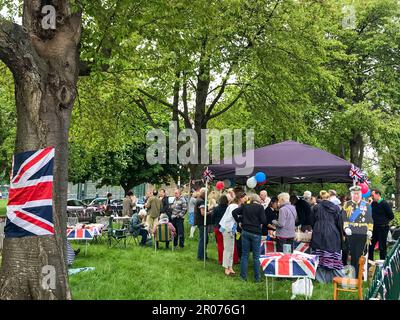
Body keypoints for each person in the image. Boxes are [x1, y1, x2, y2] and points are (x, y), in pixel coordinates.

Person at [310, 190, 345, 283]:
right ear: (329, 198)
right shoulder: (336, 208)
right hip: (333, 234)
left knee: (320, 257)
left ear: (320, 198)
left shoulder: (315, 207)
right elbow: (340, 223)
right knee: (332, 257)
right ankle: (340, 279)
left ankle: (321, 280)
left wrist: (317, 227)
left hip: (318, 233)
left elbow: (312, 221)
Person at [232, 194, 267, 282]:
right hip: (256, 232)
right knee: (256, 256)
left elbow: (234, 212)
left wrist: (239, 221)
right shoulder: (260, 208)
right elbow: (264, 221)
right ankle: (257, 278)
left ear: (251, 200)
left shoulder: (245, 206)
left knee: (244, 255)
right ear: (258, 200)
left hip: (245, 231)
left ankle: (243, 277)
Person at [342, 185, 373, 277]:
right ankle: (354, 274)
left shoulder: (366, 205)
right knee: (352, 254)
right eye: (354, 194)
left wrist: (370, 230)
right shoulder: (347, 204)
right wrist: (346, 227)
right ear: (351, 195)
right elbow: (344, 218)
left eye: (358, 193)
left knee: (359, 254)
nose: (356, 195)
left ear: (361, 194)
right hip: (351, 232)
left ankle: (358, 274)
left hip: (363, 232)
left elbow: (370, 219)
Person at [219, 194, 242, 275]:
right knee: (227, 249)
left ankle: (230, 266)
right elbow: (229, 218)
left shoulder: (234, 205)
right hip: (228, 230)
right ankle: (226, 267)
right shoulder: (234, 206)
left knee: (231, 249)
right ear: (240, 199)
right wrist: (230, 229)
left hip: (231, 230)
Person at [368, 189, 394, 261]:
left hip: (383, 228)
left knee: (382, 246)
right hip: (375, 228)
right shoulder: (373, 203)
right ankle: (370, 261)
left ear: (378, 194)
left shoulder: (385, 203)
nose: (371, 197)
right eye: (371, 195)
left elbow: (391, 216)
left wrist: (384, 222)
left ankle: (382, 263)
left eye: (372, 195)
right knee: (371, 245)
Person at [195, 188, 212, 260]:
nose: (207, 195)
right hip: (202, 222)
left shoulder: (198, 199)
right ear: (204, 193)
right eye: (207, 193)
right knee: (203, 239)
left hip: (200, 222)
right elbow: (203, 213)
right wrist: (210, 212)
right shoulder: (201, 201)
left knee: (204, 239)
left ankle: (203, 254)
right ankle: (201, 256)